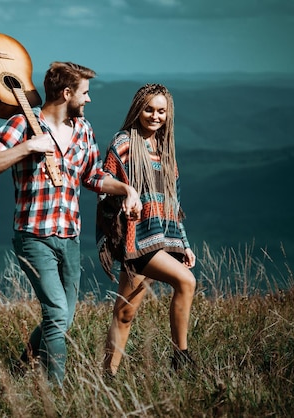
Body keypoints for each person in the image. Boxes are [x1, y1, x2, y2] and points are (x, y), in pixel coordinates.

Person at [0, 61, 141, 386]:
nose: (89, 99)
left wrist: (126, 189)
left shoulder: (83, 130)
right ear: (67, 93)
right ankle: (57, 394)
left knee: (62, 319)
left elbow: (93, 176)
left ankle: (22, 366)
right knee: (54, 315)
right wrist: (26, 147)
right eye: (85, 93)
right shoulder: (22, 124)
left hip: (70, 237)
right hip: (33, 237)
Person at [96, 83, 197, 377]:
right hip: (135, 239)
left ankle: (107, 377)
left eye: (161, 111)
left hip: (162, 238)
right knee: (186, 282)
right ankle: (181, 358)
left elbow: (173, 203)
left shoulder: (165, 150)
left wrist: (184, 244)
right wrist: (124, 199)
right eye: (149, 109)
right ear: (137, 109)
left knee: (125, 313)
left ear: (169, 114)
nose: (155, 116)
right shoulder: (123, 143)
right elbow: (102, 183)